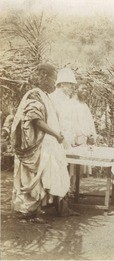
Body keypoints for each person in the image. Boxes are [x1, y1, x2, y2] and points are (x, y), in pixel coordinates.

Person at [11, 64, 78, 223]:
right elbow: (36, 120)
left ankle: (33, 212)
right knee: (31, 177)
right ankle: (27, 213)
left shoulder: (43, 95)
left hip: (44, 143)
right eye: (53, 78)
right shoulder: (35, 94)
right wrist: (55, 134)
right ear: (44, 78)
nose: (54, 82)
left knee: (39, 178)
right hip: (36, 145)